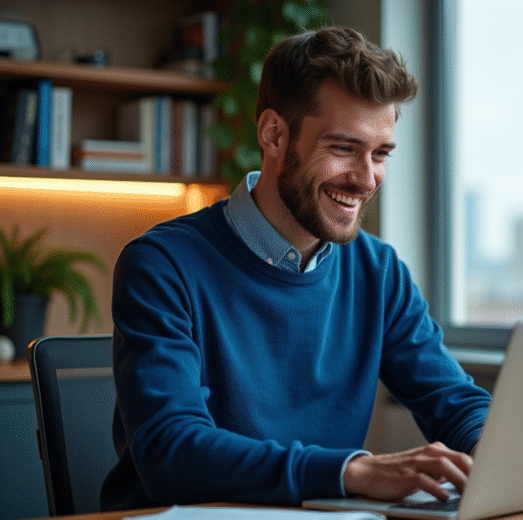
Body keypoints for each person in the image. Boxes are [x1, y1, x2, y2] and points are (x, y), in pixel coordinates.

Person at [100, 26, 491, 511]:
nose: (366, 179)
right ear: (273, 135)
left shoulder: (378, 271)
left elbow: (454, 401)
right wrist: (352, 472)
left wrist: (501, 453)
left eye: (381, 153)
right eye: (344, 148)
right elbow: (172, 453)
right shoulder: (163, 265)